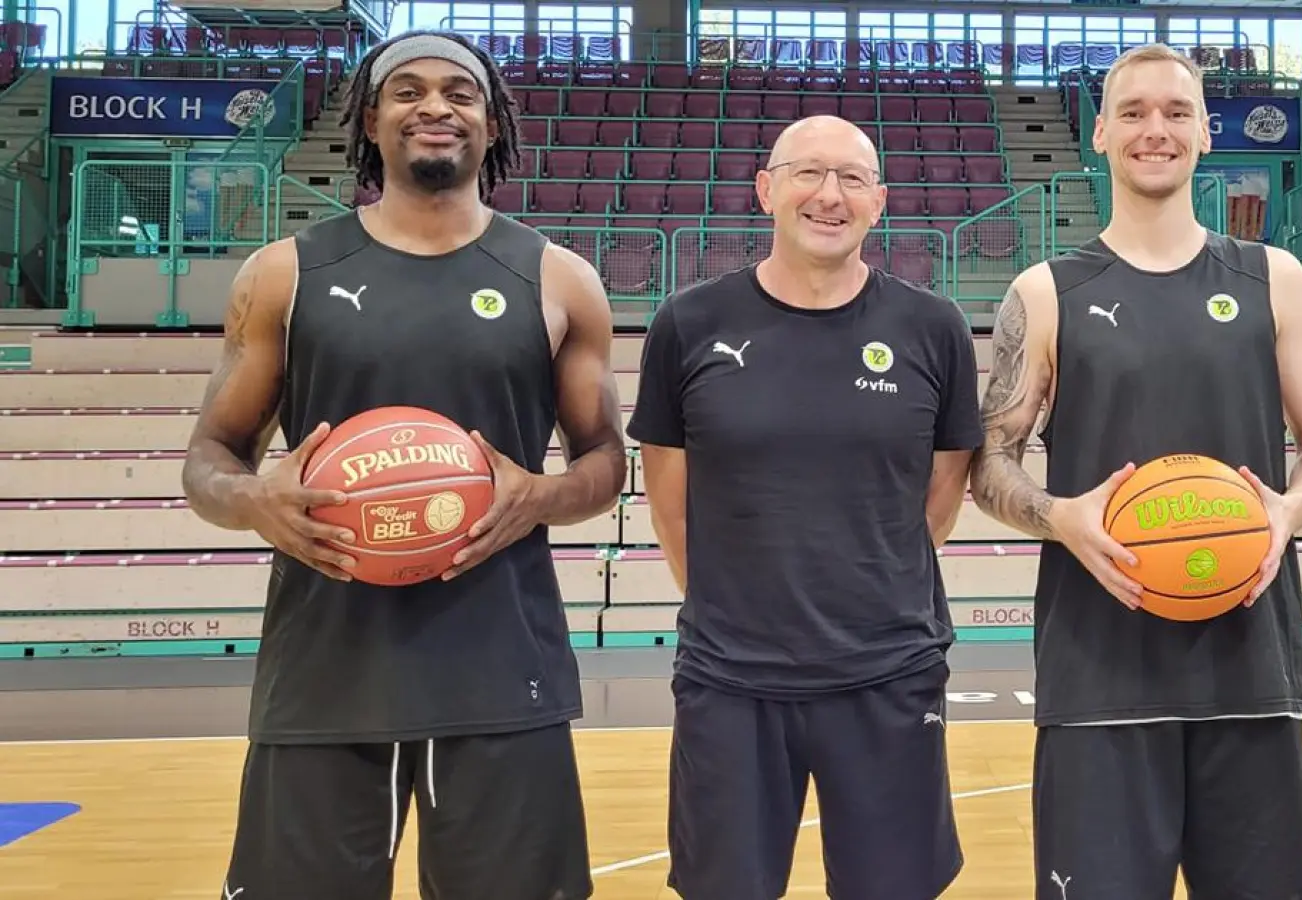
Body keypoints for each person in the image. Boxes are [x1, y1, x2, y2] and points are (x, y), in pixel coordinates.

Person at [181, 31, 627, 900]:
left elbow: (606, 459)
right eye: (408, 90)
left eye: (460, 93)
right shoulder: (285, 275)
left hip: (502, 667)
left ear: (492, 123)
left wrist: (541, 495)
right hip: (326, 671)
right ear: (369, 120)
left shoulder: (559, 279)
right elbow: (209, 456)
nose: (435, 107)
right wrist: (252, 499)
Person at [968, 44, 1302, 900]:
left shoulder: (1273, 277)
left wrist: (1286, 511)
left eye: (1177, 112)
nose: (1156, 129)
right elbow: (990, 459)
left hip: (1249, 668)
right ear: (1101, 132)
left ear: (1207, 133)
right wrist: (1061, 517)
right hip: (1098, 675)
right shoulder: (1045, 292)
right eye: (1133, 112)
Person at [625, 115, 983, 900]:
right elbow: (671, 508)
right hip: (731, 680)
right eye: (808, 173)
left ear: (879, 202)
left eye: (853, 178)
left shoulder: (934, 328)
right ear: (766, 190)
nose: (830, 195)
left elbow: (941, 493)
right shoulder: (689, 323)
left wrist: (870, 588)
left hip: (889, 673)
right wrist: (740, 611)